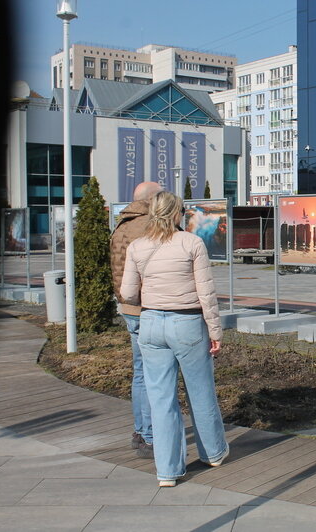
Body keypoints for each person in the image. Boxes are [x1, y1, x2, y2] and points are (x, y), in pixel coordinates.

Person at [120, 191, 228, 488]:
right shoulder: (191, 243)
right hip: (188, 323)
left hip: (151, 324)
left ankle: (167, 471)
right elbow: (206, 293)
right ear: (177, 213)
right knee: (201, 392)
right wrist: (215, 332)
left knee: (161, 399)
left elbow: (128, 293)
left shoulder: (137, 246)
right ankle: (214, 453)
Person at [110, 180, 161, 458]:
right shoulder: (150, 226)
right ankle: (152, 435)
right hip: (150, 307)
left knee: (140, 372)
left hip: (129, 308)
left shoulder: (122, 224)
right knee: (156, 374)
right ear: (153, 200)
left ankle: (141, 430)